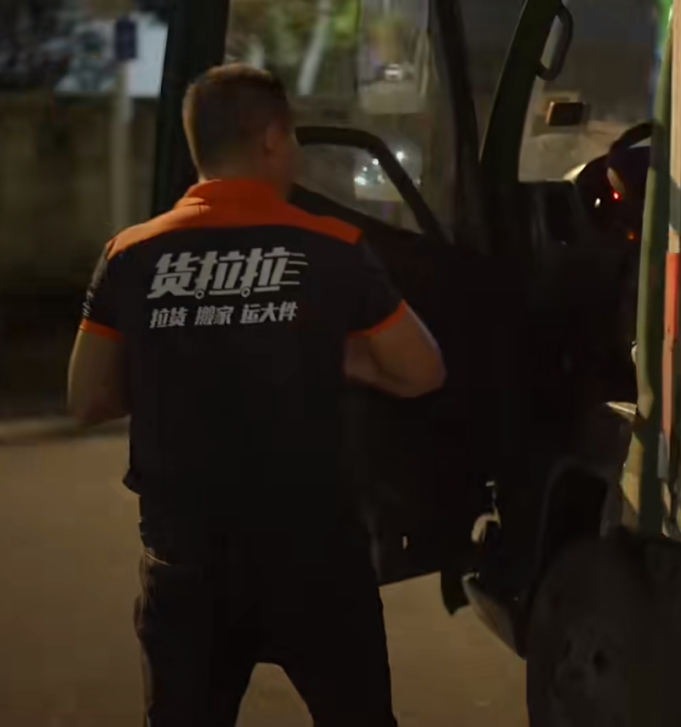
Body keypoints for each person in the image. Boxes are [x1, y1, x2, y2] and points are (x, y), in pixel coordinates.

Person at [67, 63, 445, 726]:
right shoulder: (333, 247)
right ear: (271, 137)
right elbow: (423, 371)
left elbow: (86, 397)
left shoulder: (129, 254)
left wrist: (177, 358)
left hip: (186, 564)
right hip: (316, 562)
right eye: (291, 137)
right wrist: (337, 354)